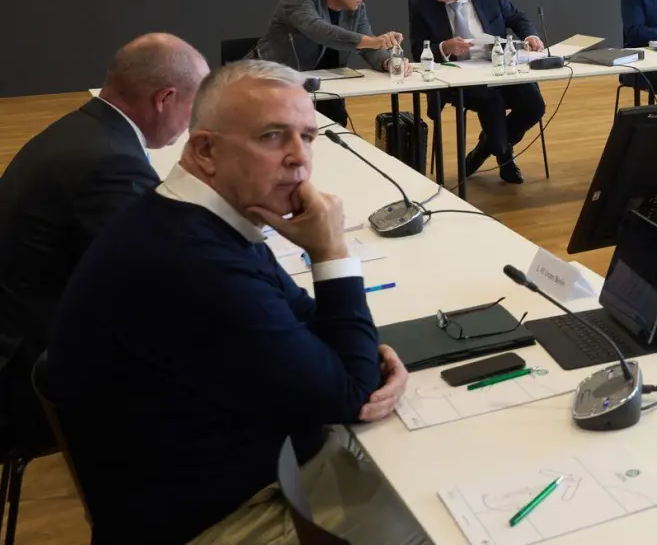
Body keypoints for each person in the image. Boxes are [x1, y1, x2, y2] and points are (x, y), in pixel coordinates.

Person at [44, 61, 421, 544]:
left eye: (308, 137)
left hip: (204, 475)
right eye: (272, 136)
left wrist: (366, 358)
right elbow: (349, 395)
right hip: (214, 519)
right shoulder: (194, 262)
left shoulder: (194, 216)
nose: (300, 160)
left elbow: (305, 320)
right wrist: (331, 251)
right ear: (205, 150)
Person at [0, 33, 207, 456]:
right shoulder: (109, 163)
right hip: (27, 381)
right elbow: (162, 282)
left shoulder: (84, 130)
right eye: (194, 106)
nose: (193, 123)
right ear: (165, 98)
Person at [408, 0, 546, 184]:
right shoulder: (420, 3)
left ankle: (484, 148)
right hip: (458, 76)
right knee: (492, 102)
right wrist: (445, 47)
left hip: (497, 66)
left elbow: (517, 18)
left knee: (534, 104)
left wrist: (530, 35)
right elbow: (417, 51)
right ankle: (504, 155)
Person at [253, 0, 409, 125]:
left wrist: (389, 62)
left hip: (327, 88)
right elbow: (318, 30)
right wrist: (373, 41)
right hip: (275, 83)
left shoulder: (356, 9)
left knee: (336, 130)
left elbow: (368, 45)